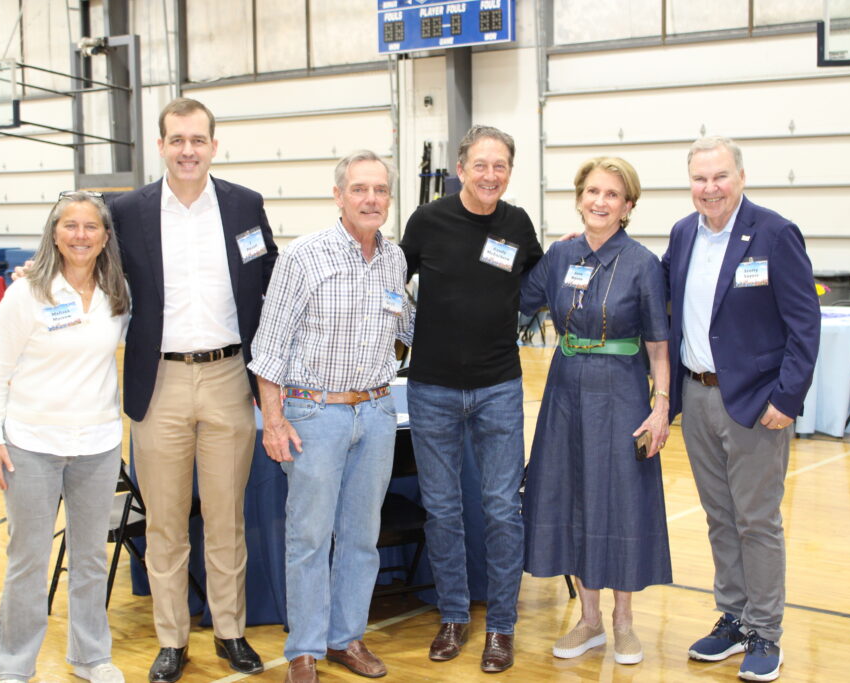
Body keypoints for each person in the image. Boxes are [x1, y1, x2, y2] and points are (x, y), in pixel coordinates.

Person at [109, 98, 278, 682]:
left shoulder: (244, 206)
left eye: (198, 140)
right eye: (177, 140)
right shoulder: (126, 211)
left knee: (228, 518)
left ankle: (230, 632)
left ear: (213, 144)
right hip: (159, 383)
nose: (188, 150)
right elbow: (87, 266)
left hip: (231, 377)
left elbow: (272, 281)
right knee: (165, 522)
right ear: (160, 145)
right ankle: (171, 639)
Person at [249, 151, 413, 683]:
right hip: (314, 413)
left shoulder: (395, 260)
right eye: (360, 189)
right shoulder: (304, 257)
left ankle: (346, 638)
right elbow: (268, 346)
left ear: (389, 198)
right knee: (310, 536)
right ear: (339, 196)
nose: (371, 199)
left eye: (380, 190)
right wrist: (275, 421)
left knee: (362, 537)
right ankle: (304, 649)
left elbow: (404, 331)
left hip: (376, 410)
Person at [663, 137, 820, 682]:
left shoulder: (774, 233)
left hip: (755, 402)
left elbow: (805, 323)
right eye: (700, 179)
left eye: (719, 177)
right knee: (719, 517)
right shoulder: (683, 234)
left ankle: (765, 632)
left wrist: (787, 397)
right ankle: (732, 616)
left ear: (741, 176)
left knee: (757, 521)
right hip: (697, 394)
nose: (710, 188)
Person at [400, 125, 543, 673]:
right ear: (461, 169)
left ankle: (502, 627)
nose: (490, 175)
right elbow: (390, 281)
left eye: (500, 166)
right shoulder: (427, 222)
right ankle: (454, 616)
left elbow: (536, 282)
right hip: (432, 387)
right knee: (442, 509)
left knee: (504, 508)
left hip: (499, 386)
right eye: (480, 165)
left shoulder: (517, 224)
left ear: (509, 171)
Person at [521, 157, 672, 665]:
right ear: (579, 196)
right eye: (592, 192)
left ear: (628, 205)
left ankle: (623, 624)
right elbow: (519, 298)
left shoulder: (644, 264)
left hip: (623, 391)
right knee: (573, 497)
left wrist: (661, 407)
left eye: (611, 194)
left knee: (620, 500)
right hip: (565, 390)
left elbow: (657, 344)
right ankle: (588, 622)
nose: (599, 202)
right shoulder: (561, 254)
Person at [0, 191, 130, 683]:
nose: (81, 236)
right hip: (30, 447)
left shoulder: (119, 294)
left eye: (91, 227)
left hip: (98, 446)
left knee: (89, 558)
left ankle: (89, 657)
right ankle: (15, 667)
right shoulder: (25, 294)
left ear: (106, 237)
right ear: (54, 233)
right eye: (71, 226)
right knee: (28, 561)